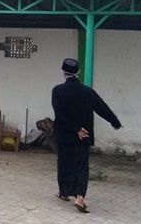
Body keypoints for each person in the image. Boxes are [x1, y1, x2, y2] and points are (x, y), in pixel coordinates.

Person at [51, 58, 122, 213]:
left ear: (63, 72)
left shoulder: (57, 91)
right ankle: (80, 197)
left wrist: (75, 128)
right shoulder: (87, 91)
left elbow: (60, 114)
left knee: (64, 162)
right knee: (81, 165)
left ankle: (63, 192)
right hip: (83, 135)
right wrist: (115, 122)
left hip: (64, 134)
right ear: (78, 72)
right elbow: (102, 107)